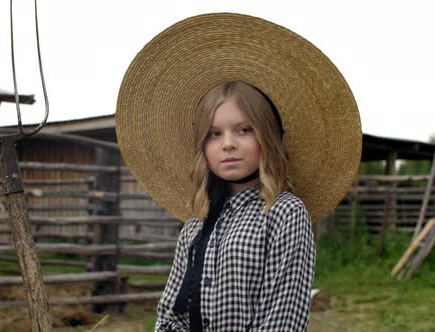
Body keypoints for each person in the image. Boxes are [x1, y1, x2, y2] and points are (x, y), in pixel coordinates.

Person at [115, 13, 362, 332]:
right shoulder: (195, 224)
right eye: (214, 134)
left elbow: (283, 318)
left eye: (244, 130)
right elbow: (171, 313)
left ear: (267, 138)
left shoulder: (284, 214)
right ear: (203, 146)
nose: (228, 144)